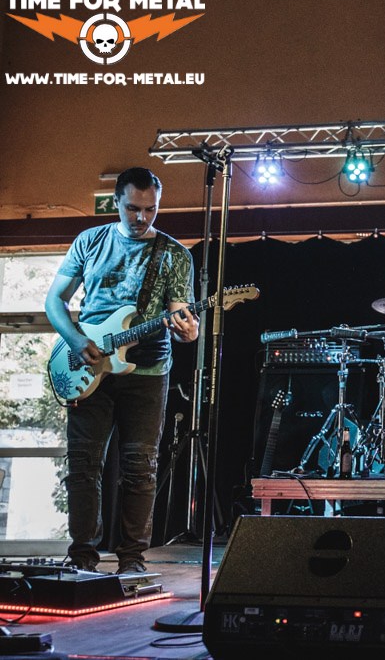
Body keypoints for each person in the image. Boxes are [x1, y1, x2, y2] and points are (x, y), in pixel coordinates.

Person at [45, 167, 198, 574]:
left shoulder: (174, 255)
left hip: (147, 372)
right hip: (88, 367)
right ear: (115, 202)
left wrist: (189, 331)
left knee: (140, 468)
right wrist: (76, 340)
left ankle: (132, 559)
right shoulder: (90, 241)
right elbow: (54, 301)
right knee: (82, 465)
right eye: (132, 208)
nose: (141, 217)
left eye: (151, 209)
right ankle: (82, 557)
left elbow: (181, 315)